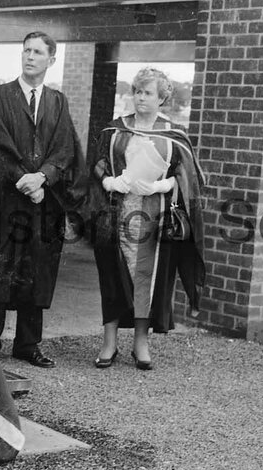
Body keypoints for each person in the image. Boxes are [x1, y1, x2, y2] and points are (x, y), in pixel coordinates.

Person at [0, 32, 87, 368]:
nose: (30, 56)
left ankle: (27, 344)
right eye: (26, 50)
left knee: (37, 270)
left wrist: (43, 177)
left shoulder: (57, 101)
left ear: (51, 59)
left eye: (37, 52)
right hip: (6, 200)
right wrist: (23, 178)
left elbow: (65, 148)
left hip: (42, 201)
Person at [87, 66, 205, 371]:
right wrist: (110, 182)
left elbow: (187, 175)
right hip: (117, 213)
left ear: (162, 98)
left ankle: (141, 341)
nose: (140, 98)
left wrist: (163, 185)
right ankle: (109, 342)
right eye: (137, 91)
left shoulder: (173, 134)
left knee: (146, 279)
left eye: (148, 93)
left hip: (154, 218)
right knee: (113, 277)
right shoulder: (115, 130)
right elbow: (98, 163)